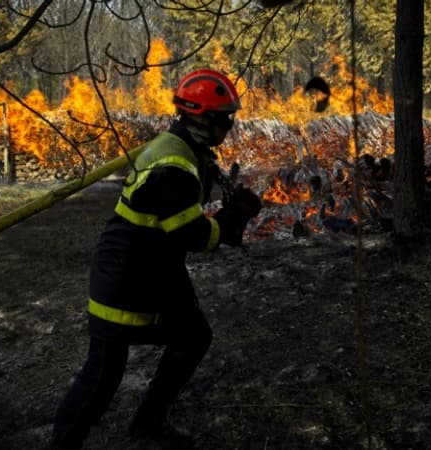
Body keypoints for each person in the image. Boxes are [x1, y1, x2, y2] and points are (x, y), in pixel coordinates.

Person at [51, 69, 261, 449]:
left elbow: (176, 219)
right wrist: (228, 224)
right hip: (126, 276)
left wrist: (226, 212)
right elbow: (191, 235)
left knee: (193, 336)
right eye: (225, 119)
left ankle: (148, 423)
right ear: (203, 119)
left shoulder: (182, 146)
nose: (229, 126)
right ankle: (63, 444)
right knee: (103, 374)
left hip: (151, 268)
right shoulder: (174, 165)